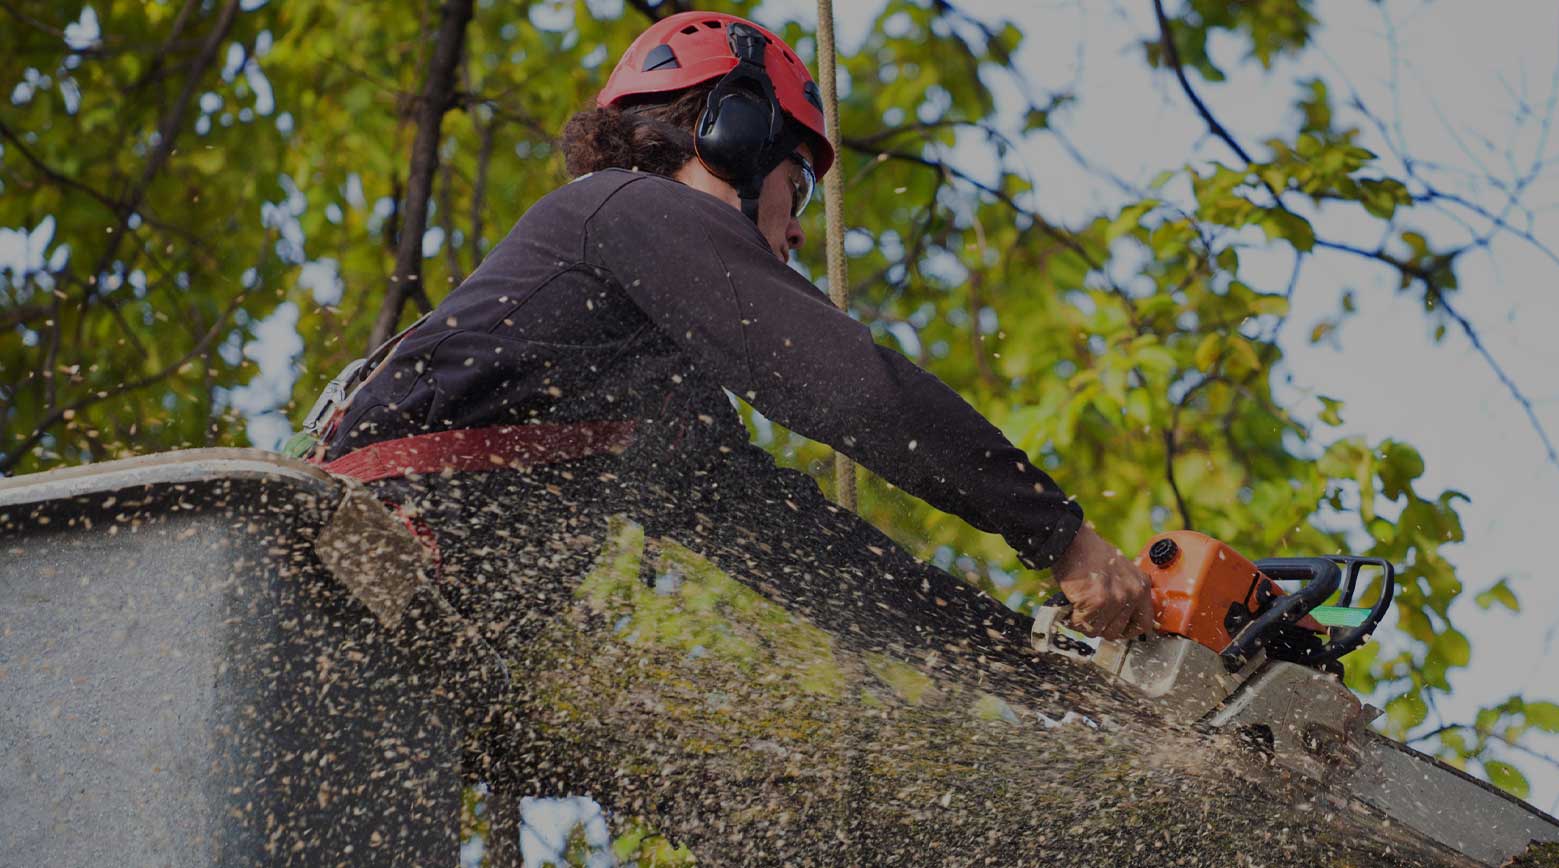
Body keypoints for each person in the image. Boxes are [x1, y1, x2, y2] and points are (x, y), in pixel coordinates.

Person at [310, 10, 1155, 662]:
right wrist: (1061, 535)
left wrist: (1043, 664)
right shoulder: (622, 209)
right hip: (334, 583)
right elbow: (852, 387)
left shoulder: (655, 397)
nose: (796, 232)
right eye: (801, 183)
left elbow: (816, 561)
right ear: (736, 135)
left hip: (391, 643)